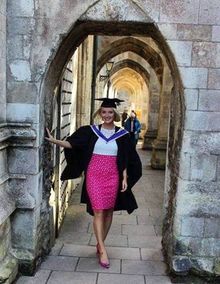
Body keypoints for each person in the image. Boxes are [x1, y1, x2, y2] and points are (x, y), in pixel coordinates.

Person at [45, 98, 142, 269]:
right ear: (100, 114)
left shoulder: (123, 135)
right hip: (94, 175)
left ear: (115, 114)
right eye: (103, 112)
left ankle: (100, 243)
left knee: (109, 212)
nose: (107, 115)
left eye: (110, 112)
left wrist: (125, 177)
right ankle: (102, 249)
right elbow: (72, 144)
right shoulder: (89, 131)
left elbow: (125, 158)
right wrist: (54, 141)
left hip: (113, 176)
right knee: (98, 210)